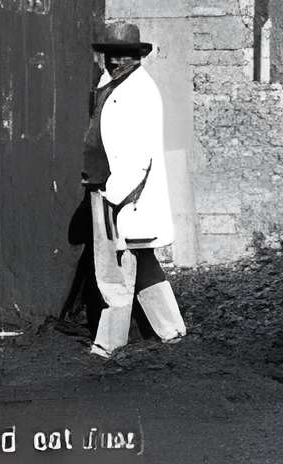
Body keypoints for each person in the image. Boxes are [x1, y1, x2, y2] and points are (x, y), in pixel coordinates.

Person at [81, 19, 187, 362]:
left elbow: (139, 157)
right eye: (110, 54)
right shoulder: (112, 83)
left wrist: (114, 196)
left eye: (123, 54)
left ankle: (108, 343)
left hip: (125, 196)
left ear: (137, 56)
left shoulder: (140, 91)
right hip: (110, 188)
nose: (115, 60)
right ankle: (172, 331)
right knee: (144, 263)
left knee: (115, 270)